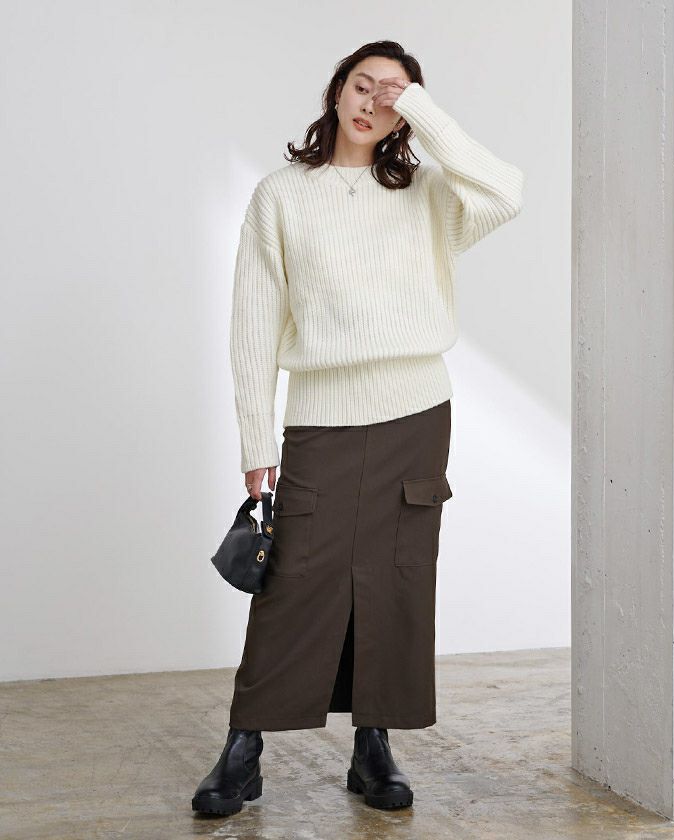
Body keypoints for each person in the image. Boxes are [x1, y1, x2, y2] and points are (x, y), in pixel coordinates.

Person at [192, 39, 523, 817]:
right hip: (322, 418)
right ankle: (243, 750)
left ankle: (374, 745)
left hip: (416, 415)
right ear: (336, 91)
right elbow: (253, 324)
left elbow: (506, 192)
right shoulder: (282, 195)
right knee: (295, 580)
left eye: (393, 93)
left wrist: (423, 110)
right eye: (363, 85)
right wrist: (255, 439)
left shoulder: (430, 195)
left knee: (396, 580)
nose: (374, 102)